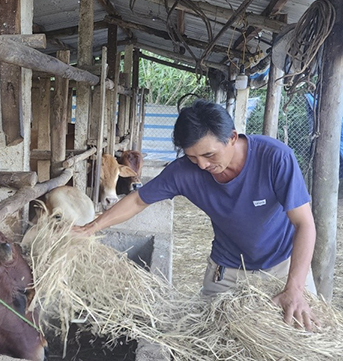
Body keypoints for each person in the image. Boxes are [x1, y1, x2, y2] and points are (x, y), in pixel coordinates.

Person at [74, 100, 318, 330]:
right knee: (212, 340)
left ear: (232, 137)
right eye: (192, 157)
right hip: (226, 272)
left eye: (209, 155)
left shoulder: (274, 157)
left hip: (284, 267)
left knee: (302, 337)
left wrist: (295, 287)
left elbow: (304, 223)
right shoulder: (184, 171)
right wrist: (90, 229)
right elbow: (138, 199)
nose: (202, 165)